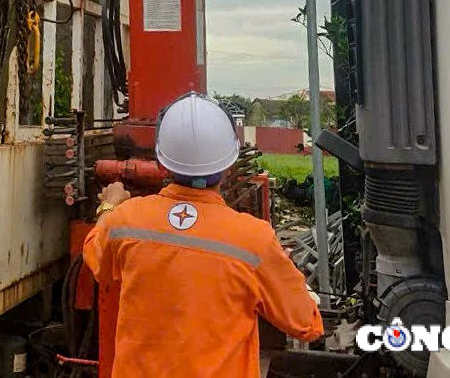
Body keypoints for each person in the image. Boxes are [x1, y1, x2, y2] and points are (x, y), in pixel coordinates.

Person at [83, 92, 323, 377]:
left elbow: (97, 258)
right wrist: (287, 276)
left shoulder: (125, 221)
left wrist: (109, 205)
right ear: (228, 166)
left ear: (161, 162)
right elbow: (306, 323)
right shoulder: (253, 241)